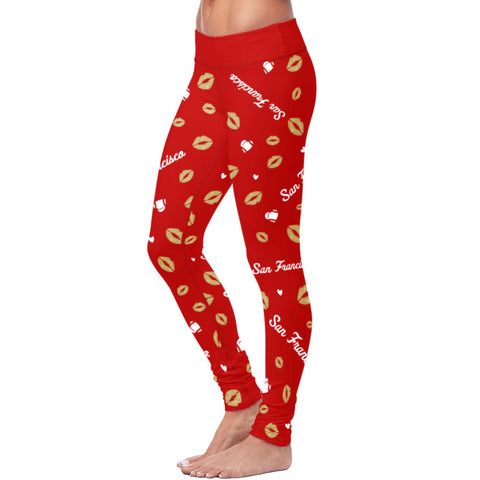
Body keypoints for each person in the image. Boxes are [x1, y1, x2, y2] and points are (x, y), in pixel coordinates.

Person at [147, 0, 317, 477]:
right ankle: (241, 398)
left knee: (274, 261)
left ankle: (275, 435)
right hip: (209, 66)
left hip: (268, 67)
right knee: (170, 244)